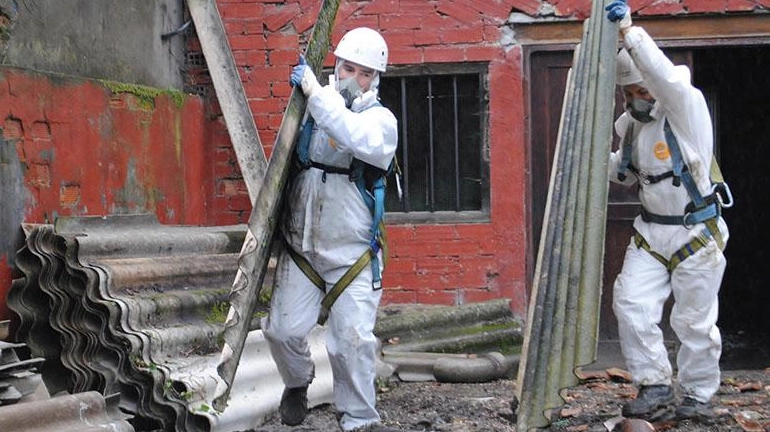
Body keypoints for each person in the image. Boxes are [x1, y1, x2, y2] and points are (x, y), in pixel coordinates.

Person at [261, 27, 403, 432]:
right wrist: (310, 96)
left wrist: (312, 89)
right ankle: (297, 381)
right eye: (347, 68)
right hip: (302, 247)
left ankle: (359, 420)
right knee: (280, 332)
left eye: (364, 73)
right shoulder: (309, 110)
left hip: (353, 254)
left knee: (352, 344)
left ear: (376, 79)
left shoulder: (380, 122)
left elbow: (350, 133)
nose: (352, 79)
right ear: (335, 65)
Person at [605, 0, 730, 423]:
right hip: (651, 233)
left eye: (642, 91)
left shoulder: (685, 106)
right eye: (630, 93)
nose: (638, 99)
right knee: (631, 304)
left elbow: (659, 73)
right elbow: (624, 175)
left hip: (696, 233)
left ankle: (698, 395)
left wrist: (629, 32)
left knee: (694, 323)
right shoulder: (633, 127)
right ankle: (654, 386)